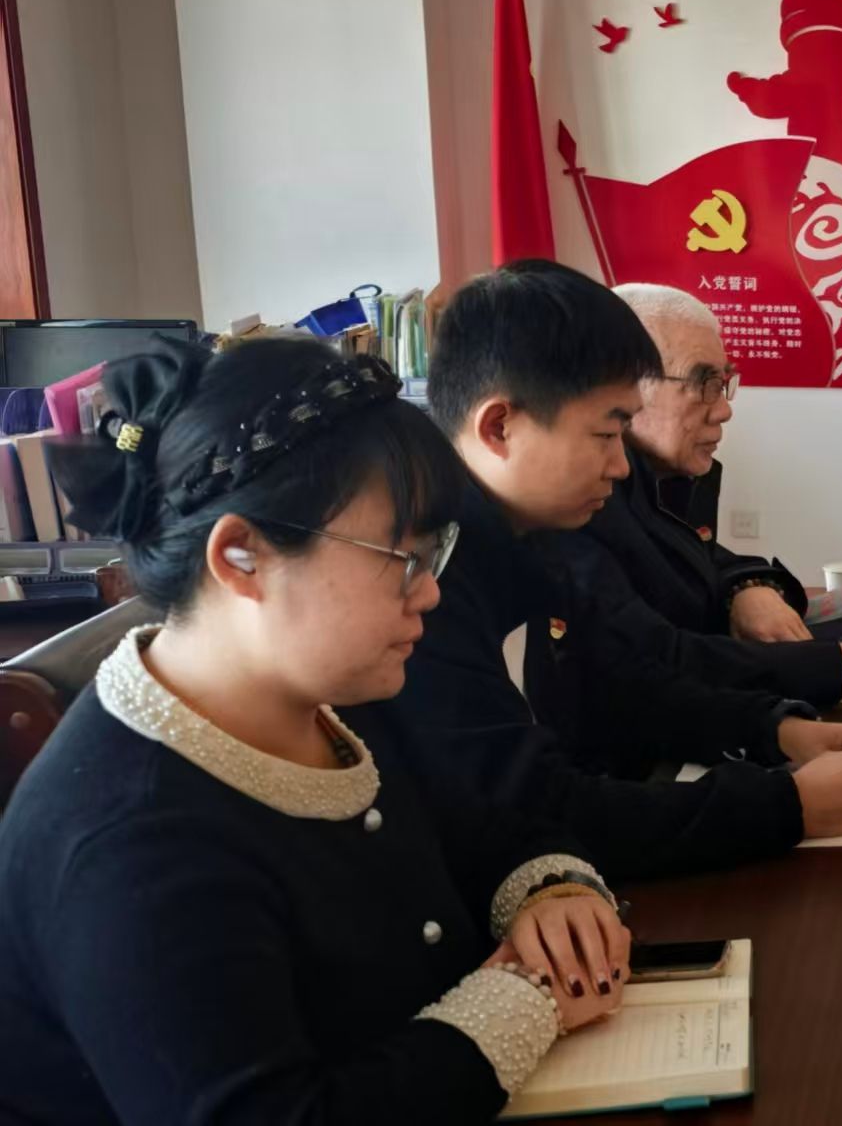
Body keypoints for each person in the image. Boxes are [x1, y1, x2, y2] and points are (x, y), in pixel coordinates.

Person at [0, 338, 631, 1123]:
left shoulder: (331, 695)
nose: (430, 592)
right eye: (402, 555)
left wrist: (551, 894)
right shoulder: (128, 841)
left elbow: (484, 826)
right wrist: (524, 998)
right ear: (240, 556)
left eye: (435, 553)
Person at [399, 261, 842, 879]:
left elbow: (625, 682)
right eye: (606, 435)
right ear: (500, 427)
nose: (619, 466)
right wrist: (789, 805)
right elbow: (537, 810)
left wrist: (774, 730)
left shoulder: (532, 528)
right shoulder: (424, 587)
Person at [534, 282, 842, 703]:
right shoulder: (582, 501)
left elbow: (702, 560)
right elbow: (658, 659)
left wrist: (747, 588)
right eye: (704, 383)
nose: (724, 409)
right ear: (621, 386)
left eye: (722, 383)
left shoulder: (668, 479)